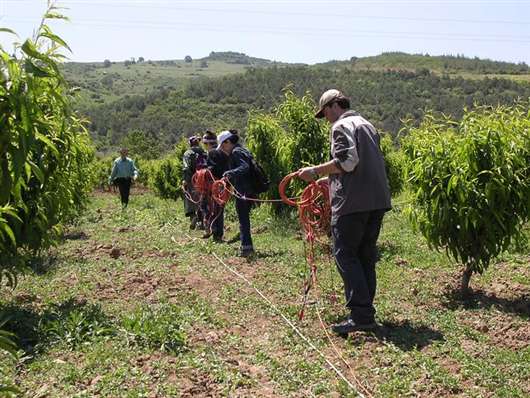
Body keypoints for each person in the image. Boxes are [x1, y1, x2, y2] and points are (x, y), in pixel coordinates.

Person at [297, 89, 391, 334]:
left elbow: (347, 162)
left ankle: (360, 315)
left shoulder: (341, 126)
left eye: (325, 113)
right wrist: (330, 180)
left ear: (331, 106)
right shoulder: (367, 125)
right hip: (377, 200)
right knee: (365, 255)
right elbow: (361, 165)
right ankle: (366, 310)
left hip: (352, 203)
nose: (326, 118)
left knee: (345, 254)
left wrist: (315, 171)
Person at [218, 130, 256, 257]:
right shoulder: (242, 150)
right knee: (244, 218)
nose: (223, 149)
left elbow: (244, 167)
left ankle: (247, 248)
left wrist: (230, 173)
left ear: (228, 142)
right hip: (250, 189)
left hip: (243, 190)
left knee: (243, 219)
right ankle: (246, 246)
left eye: (223, 145)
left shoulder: (236, 152)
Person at [203, 131, 230, 242]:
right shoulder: (223, 152)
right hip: (224, 184)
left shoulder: (212, 154)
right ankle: (218, 233)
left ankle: (215, 232)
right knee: (220, 208)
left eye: (205, 144)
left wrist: (205, 172)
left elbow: (212, 169)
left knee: (213, 208)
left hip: (214, 185)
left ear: (208, 144)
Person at [182, 135, 207, 230]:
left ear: (190, 143)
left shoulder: (188, 153)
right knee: (202, 200)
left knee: (190, 199)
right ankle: (202, 223)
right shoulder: (204, 152)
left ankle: (193, 217)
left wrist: (185, 180)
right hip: (204, 179)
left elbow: (186, 167)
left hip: (192, 179)